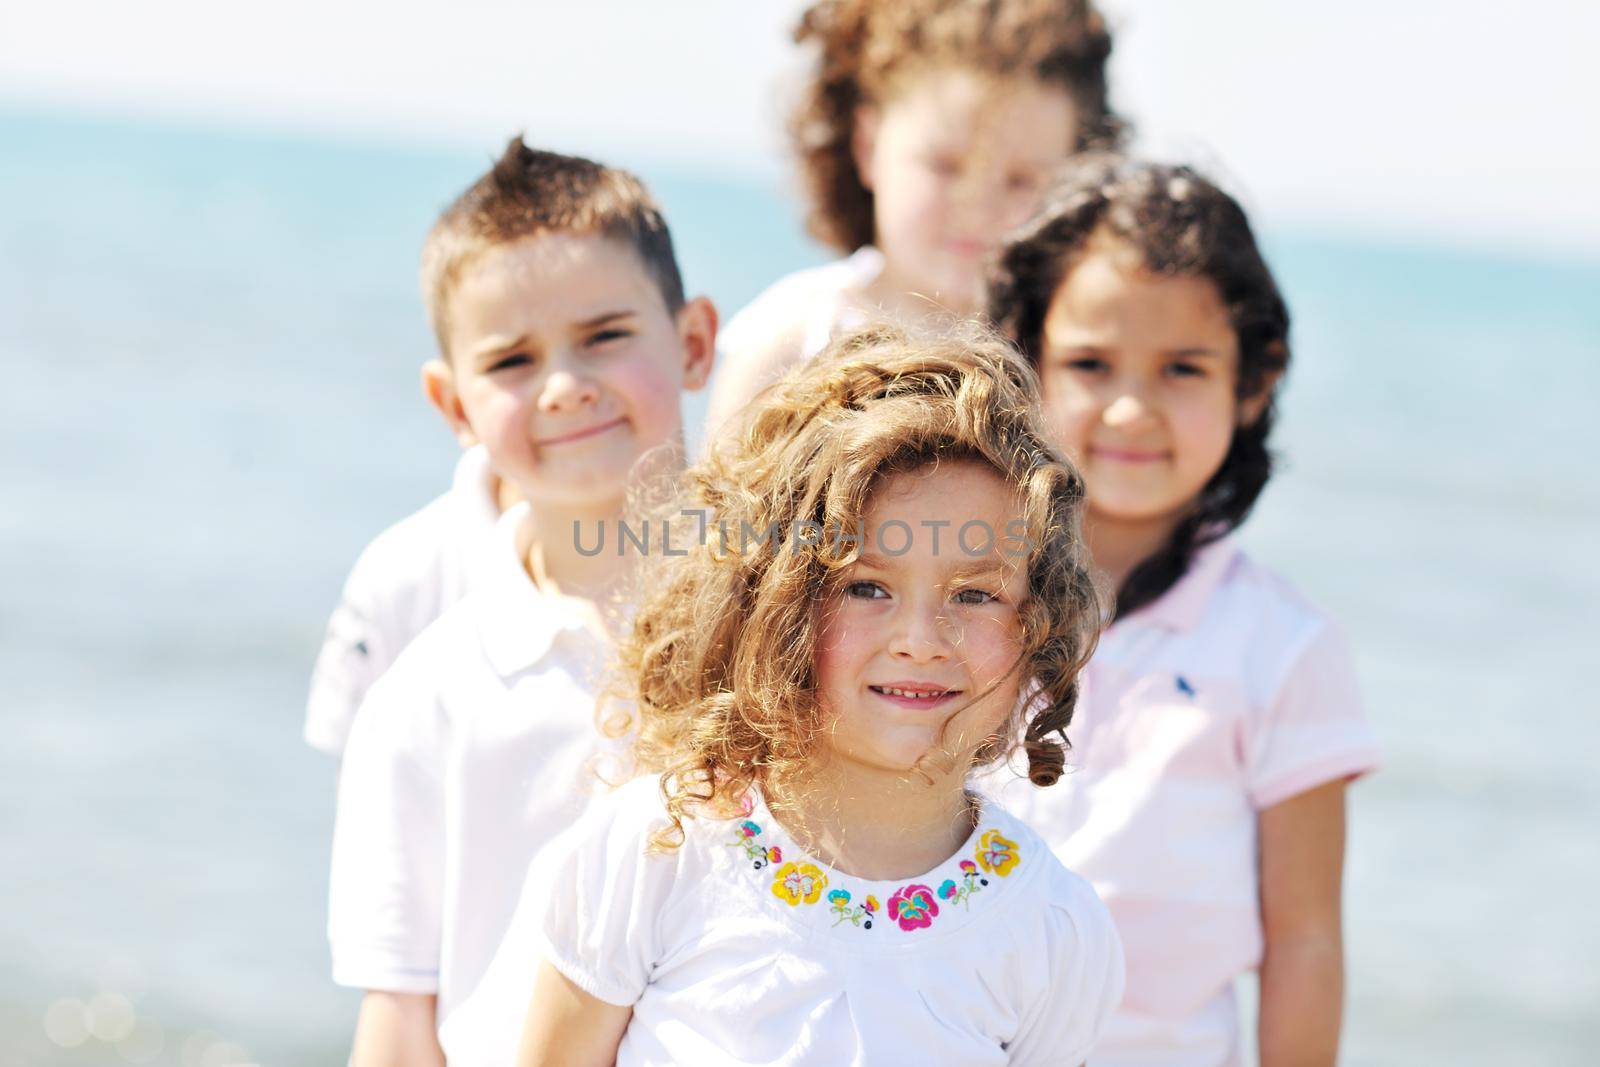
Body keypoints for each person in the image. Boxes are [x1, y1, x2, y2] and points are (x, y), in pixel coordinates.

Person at [518, 325, 1124, 1066]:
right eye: (866, 585)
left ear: (1039, 622)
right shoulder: (656, 850)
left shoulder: (1052, 928)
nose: (921, 638)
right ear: (774, 601)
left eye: (974, 594)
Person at [983, 154, 1383, 1065]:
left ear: (1254, 382)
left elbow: (1306, 942)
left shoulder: (1285, 647)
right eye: (1090, 362)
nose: (1132, 408)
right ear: (1025, 362)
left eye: (1182, 368)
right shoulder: (961, 592)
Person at [326, 136, 716, 1067]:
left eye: (606, 335)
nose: (566, 385)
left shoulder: (802, 625)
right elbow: (400, 1011)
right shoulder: (425, 697)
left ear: (695, 340)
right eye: (511, 360)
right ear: (452, 403)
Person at [705, 0, 1120, 435]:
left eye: (1021, 180)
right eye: (945, 166)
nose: (978, 205)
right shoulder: (790, 342)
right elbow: (709, 502)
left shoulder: (1079, 355)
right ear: (868, 146)